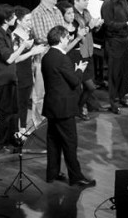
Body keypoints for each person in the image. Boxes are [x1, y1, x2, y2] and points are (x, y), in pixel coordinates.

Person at [40, 25, 95, 188]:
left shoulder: (47, 56)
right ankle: (76, 177)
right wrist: (79, 70)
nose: (68, 39)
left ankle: (52, 173)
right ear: (61, 39)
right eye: (67, 37)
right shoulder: (62, 58)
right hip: (63, 108)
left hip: (52, 106)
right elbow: (75, 81)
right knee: (70, 143)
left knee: (53, 141)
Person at [29, 0, 64, 128]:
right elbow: (39, 37)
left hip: (59, 55)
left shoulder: (57, 11)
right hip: (43, 57)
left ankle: (56, 119)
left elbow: (64, 31)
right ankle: (39, 124)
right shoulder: (37, 13)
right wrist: (58, 40)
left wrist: (59, 39)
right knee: (40, 92)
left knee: (57, 89)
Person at [0, 4, 21, 153]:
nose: (15, 18)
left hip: (11, 76)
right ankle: (2, 143)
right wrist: (23, 46)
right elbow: (8, 58)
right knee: (4, 112)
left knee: (14, 111)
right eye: (13, 16)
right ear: (6, 19)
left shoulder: (7, 32)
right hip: (3, 78)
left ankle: (13, 139)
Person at [11, 6, 46, 137]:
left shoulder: (29, 33)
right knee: (19, 103)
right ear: (18, 21)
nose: (30, 23)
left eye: (31, 20)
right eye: (27, 20)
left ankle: (23, 128)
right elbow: (15, 59)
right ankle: (17, 131)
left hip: (28, 71)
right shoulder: (15, 36)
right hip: (18, 73)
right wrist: (32, 52)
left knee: (25, 102)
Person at [71, 0, 106, 119]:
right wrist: (91, 26)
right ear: (76, 1)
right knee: (88, 85)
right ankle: (79, 108)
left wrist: (97, 25)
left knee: (91, 83)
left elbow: (92, 29)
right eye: (84, 0)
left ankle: (89, 105)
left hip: (89, 50)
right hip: (79, 52)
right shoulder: (72, 15)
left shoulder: (86, 12)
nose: (87, 2)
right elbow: (78, 33)